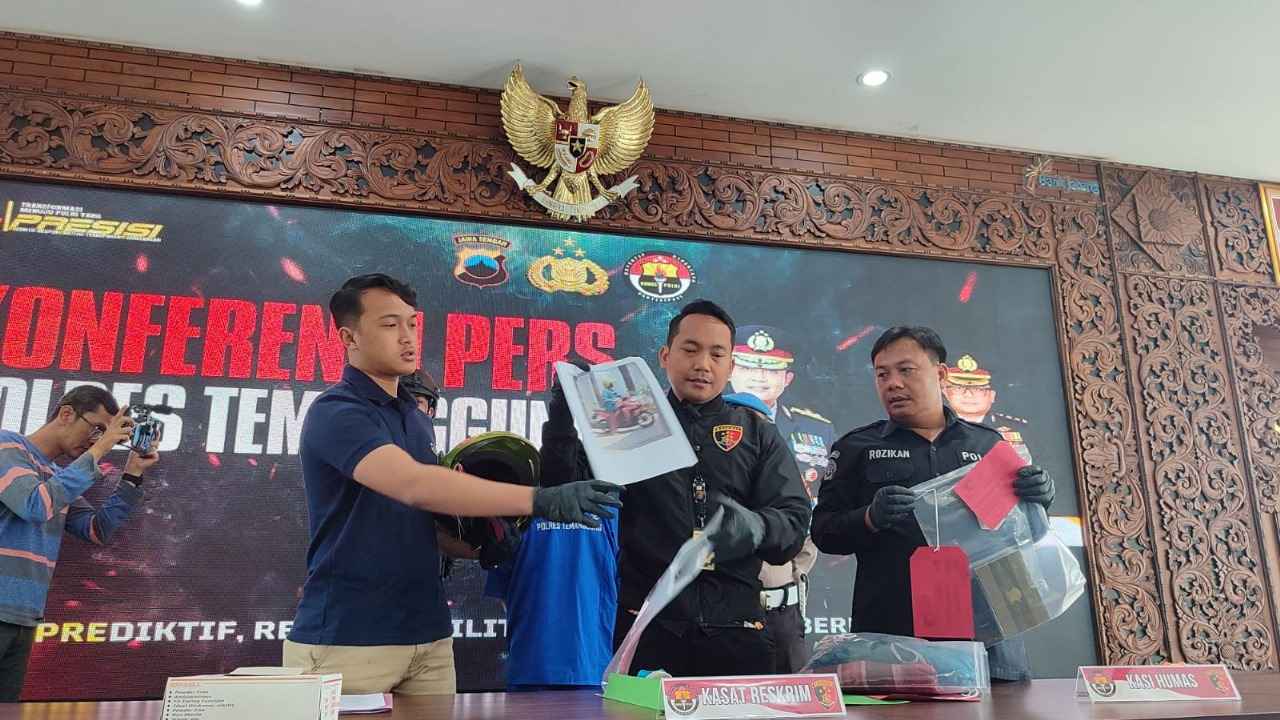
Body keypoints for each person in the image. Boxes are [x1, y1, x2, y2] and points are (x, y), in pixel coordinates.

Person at [284, 273, 621, 695]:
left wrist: (479, 545)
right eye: (390, 325)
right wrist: (539, 500)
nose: (407, 337)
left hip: (429, 638)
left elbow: (418, 521)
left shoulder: (415, 419)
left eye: (412, 323)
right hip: (348, 638)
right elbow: (412, 484)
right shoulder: (336, 411)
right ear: (349, 337)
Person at [542, 299, 811, 677]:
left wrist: (756, 527)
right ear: (665, 356)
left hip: (739, 630)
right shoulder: (629, 421)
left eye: (717, 354)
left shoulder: (756, 432)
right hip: (647, 627)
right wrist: (562, 422)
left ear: (730, 366)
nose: (703, 364)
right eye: (690, 349)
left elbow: (793, 523)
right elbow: (564, 491)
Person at [810, 326, 1055, 681]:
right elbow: (824, 533)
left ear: (940, 374)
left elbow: (1024, 534)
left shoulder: (990, 445)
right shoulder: (856, 448)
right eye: (882, 375)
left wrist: (1039, 499)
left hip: (990, 636)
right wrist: (870, 518)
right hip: (897, 639)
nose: (893, 383)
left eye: (906, 370)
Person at [0, 386, 157, 700]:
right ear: (66, 414)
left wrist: (132, 475)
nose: (97, 439)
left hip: (24, 618)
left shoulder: (55, 475)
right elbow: (35, 505)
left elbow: (96, 530)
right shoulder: (7, 447)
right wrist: (99, 450)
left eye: (104, 434)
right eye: (97, 429)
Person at [483, 363, 619, 689]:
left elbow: (501, 592)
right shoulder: (610, 512)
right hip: (583, 667)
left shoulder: (520, 508)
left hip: (552, 667)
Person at [726, 325, 827, 673]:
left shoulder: (816, 431)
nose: (758, 376)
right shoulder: (697, 432)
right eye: (747, 366)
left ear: (787, 378)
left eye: (769, 369)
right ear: (730, 369)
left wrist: (788, 578)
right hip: (717, 603)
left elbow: (809, 517)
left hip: (781, 601)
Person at [941, 354, 1031, 450]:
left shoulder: (1018, 428)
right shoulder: (935, 427)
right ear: (945, 392)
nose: (968, 394)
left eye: (977, 389)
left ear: (992, 395)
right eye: (958, 388)